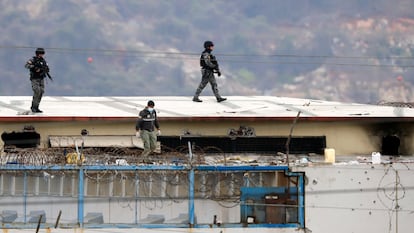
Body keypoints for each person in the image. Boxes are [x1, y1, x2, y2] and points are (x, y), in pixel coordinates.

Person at [25, 48, 50, 113]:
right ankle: (33, 107)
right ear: (37, 54)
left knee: (41, 92)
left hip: (41, 78)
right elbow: (26, 65)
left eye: (42, 54)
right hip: (35, 78)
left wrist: (45, 69)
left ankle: (36, 107)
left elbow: (47, 68)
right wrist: (34, 67)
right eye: (40, 54)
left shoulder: (43, 61)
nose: (41, 55)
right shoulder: (33, 60)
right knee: (37, 91)